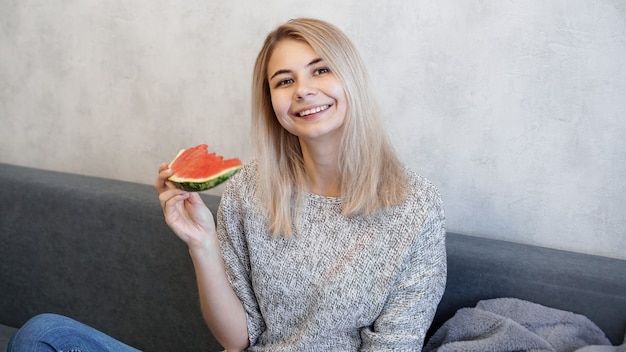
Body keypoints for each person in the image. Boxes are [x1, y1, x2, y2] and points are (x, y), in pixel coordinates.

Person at [8, 18, 446, 352]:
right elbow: (238, 339)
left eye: (320, 70)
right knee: (43, 334)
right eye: (285, 80)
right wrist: (201, 242)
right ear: (271, 102)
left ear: (351, 79)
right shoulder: (250, 189)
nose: (303, 91)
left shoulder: (416, 207)